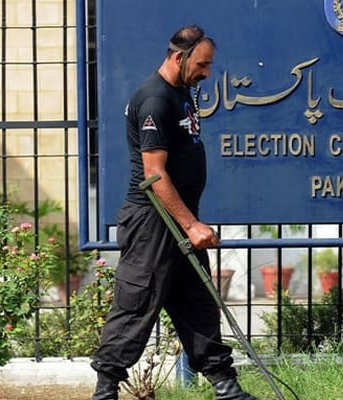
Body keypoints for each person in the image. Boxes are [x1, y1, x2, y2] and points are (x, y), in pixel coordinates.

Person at [90, 25, 258, 400]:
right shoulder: (154, 99)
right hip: (154, 221)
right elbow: (154, 174)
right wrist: (192, 224)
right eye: (202, 65)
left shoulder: (182, 92)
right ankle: (105, 391)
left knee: (198, 303)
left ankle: (226, 387)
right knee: (137, 304)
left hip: (178, 218)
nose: (207, 73)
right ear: (179, 58)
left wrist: (189, 222)